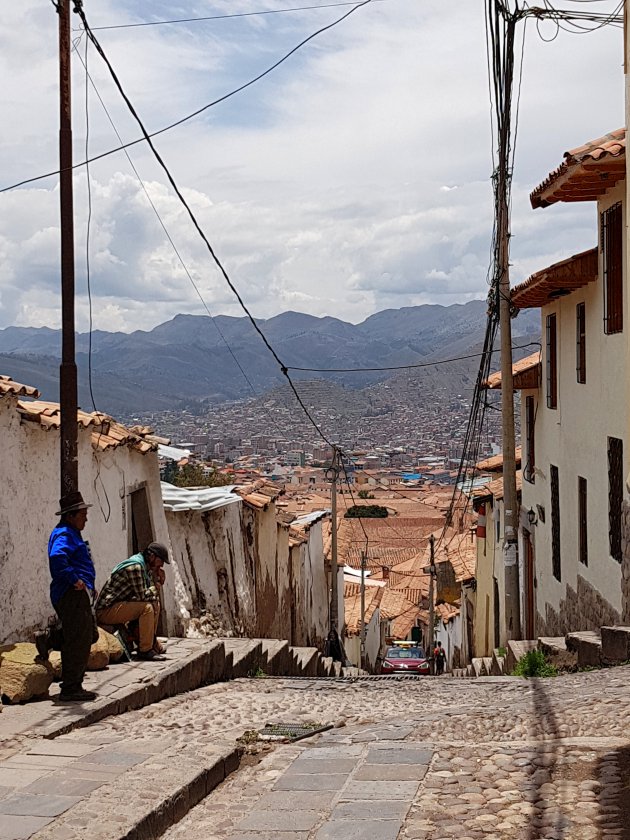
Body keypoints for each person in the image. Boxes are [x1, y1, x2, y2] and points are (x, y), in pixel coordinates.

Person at [38, 491, 98, 702]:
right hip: (71, 594)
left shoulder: (71, 533)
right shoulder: (64, 534)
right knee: (78, 641)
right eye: (82, 515)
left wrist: (90, 585)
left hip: (78, 593)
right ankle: (71, 687)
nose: (85, 519)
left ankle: (49, 638)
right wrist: (76, 580)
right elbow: (57, 558)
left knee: (89, 635)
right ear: (70, 516)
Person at [95, 542, 169, 661]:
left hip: (119, 605)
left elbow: (149, 596)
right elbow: (143, 596)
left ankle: (151, 641)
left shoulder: (146, 569)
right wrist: (157, 585)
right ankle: (145, 650)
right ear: (152, 556)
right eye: (161, 561)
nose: (161, 565)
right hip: (106, 611)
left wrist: (156, 579)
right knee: (147, 608)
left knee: (155, 605)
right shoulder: (136, 567)